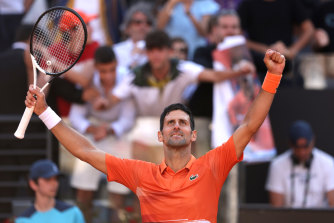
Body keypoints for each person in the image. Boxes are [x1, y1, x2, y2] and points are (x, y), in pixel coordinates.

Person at [24, 48, 285, 222]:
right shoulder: (142, 175)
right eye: (170, 122)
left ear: (193, 135)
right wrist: (45, 111)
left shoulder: (212, 166)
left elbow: (249, 125)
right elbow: (85, 151)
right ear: (160, 136)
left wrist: (273, 76)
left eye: (183, 122)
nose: (176, 126)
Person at [106, 29, 255, 164]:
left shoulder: (183, 69)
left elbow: (213, 75)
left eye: (160, 50)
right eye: (151, 50)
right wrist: (93, 97)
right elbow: (111, 100)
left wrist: (239, 72)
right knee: (143, 183)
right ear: (146, 53)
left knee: (190, 141)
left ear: (169, 51)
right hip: (143, 132)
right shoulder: (134, 76)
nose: (156, 55)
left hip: (173, 129)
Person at [68, 46, 136, 223]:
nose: (108, 76)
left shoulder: (126, 79)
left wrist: (109, 129)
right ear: (96, 68)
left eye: (112, 70)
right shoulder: (87, 80)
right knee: (83, 190)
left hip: (118, 135)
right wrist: (93, 129)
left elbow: (128, 119)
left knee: (118, 191)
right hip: (91, 134)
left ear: (117, 64)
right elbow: (76, 116)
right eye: (103, 71)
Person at [237, 0, 314, 85]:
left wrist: (293, 50)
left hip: (285, 64)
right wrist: (264, 49)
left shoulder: (291, 2)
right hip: (257, 65)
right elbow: (237, 37)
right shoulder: (248, 4)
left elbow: (309, 29)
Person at [266, 120, 334, 208]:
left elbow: (332, 204)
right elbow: (276, 208)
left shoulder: (328, 163)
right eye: (297, 148)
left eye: (305, 147)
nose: (302, 152)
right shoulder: (277, 165)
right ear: (290, 144)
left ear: (313, 141)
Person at [15, 159, 85, 223]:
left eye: (56, 179)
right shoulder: (23, 220)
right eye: (47, 179)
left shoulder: (73, 213)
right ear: (33, 184)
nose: (54, 184)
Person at [113, 2, 154, 70]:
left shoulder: (158, 51)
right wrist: (135, 57)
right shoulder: (116, 51)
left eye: (148, 23)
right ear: (127, 28)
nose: (143, 26)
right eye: (138, 22)